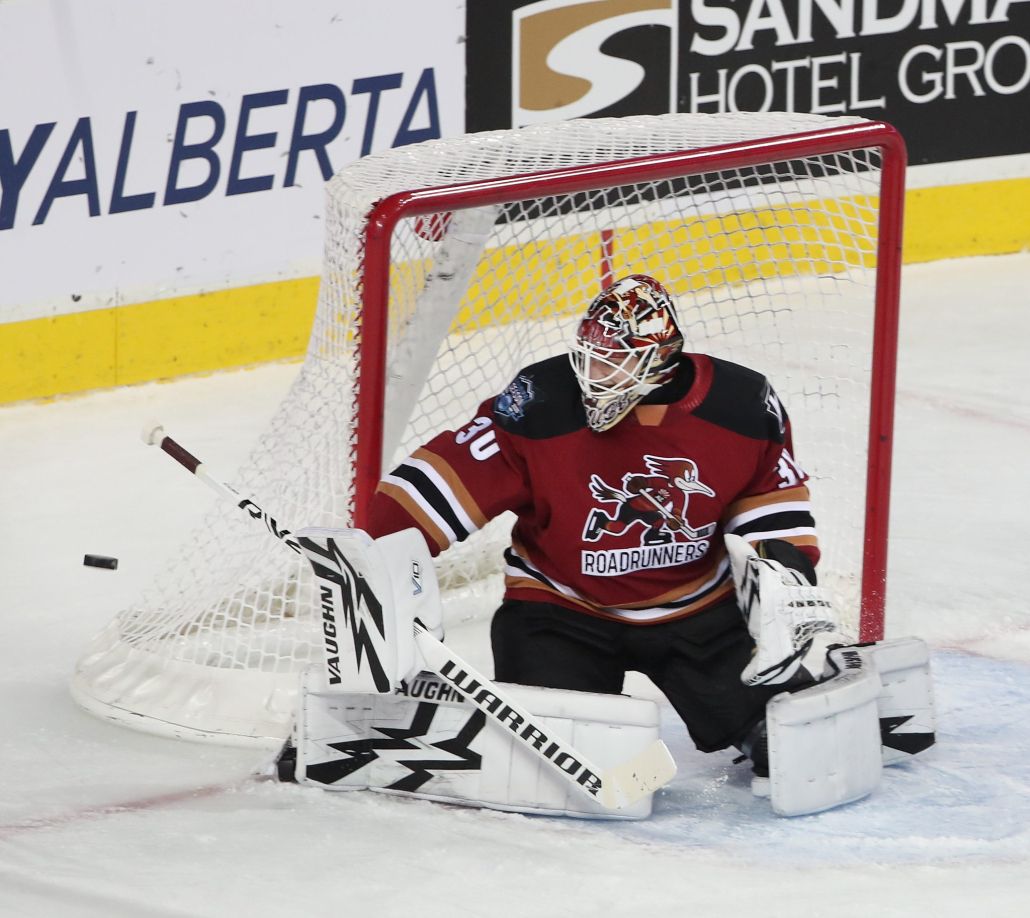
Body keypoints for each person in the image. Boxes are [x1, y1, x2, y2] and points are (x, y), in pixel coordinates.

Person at [365, 273, 830, 778]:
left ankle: (761, 718)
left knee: (786, 736)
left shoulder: (742, 405)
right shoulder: (541, 401)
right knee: (553, 758)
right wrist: (368, 549)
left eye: (616, 359)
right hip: (562, 614)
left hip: (702, 615)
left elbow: (770, 502)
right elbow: (445, 482)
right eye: (591, 355)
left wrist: (786, 582)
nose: (597, 372)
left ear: (662, 357)